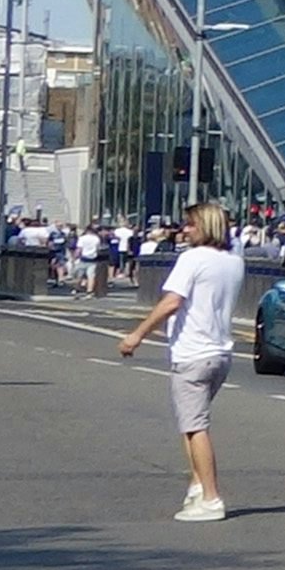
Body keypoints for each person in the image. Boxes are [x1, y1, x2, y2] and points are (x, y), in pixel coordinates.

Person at [110, 200, 247, 523]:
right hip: (220, 352)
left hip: (192, 352)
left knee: (195, 427)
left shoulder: (192, 259)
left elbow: (172, 301)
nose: (184, 230)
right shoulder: (233, 262)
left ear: (206, 227)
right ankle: (196, 487)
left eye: (191, 225)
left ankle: (211, 497)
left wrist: (137, 335)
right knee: (190, 423)